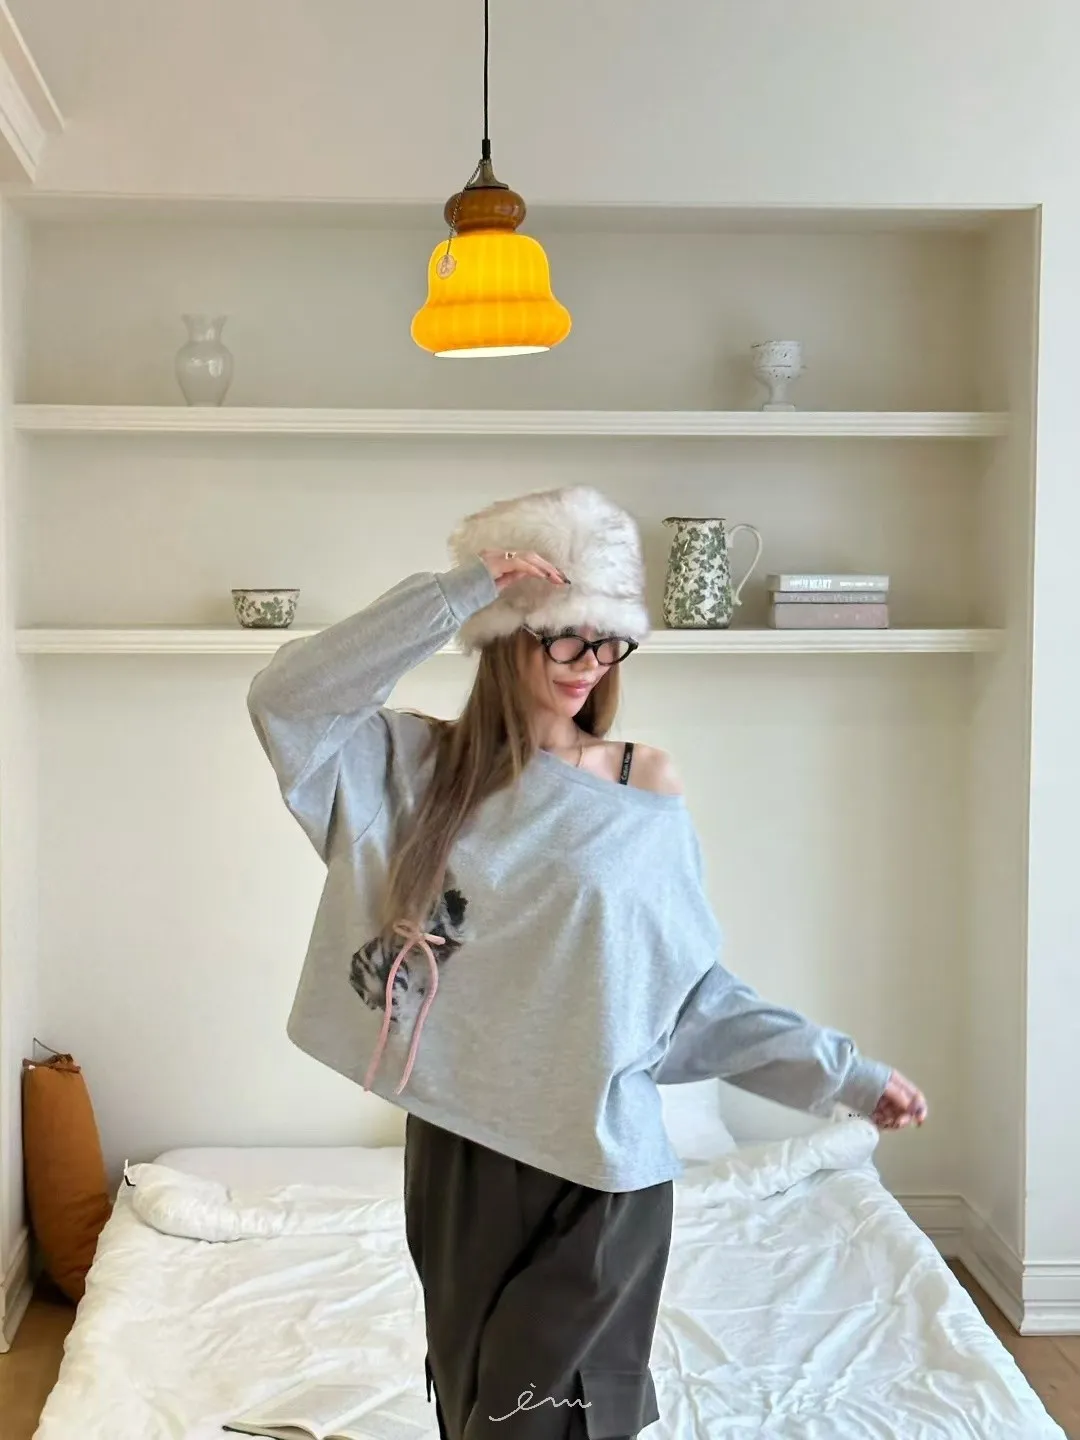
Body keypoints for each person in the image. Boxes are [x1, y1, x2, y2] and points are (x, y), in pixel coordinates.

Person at [247, 485, 927, 1440]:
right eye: (565, 637)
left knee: (541, 1424)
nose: (590, 664)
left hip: (604, 1175)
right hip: (460, 1153)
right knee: (475, 1413)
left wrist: (844, 1073)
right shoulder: (410, 773)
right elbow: (284, 700)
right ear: (506, 638)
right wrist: (460, 590)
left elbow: (690, 997)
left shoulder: (642, 781)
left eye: (608, 642)